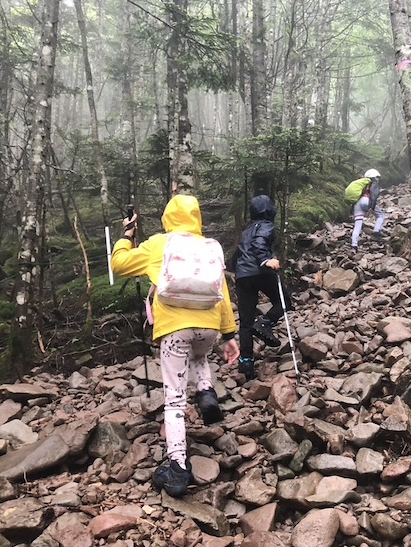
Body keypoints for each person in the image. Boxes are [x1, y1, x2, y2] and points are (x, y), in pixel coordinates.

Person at [111, 194, 239, 497]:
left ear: (168, 218)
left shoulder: (159, 244)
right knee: (199, 353)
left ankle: (178, 467)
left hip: (173, 329)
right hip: (207, 325)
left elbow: (119, 264)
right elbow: (222, 291)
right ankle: (206, 391)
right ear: (197, 217)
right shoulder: (211, 247)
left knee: (174, 401)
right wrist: (230, 334)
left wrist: (125, 237)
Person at [232, 194, 293, 381]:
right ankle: (266, 322)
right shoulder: (266, 226)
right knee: (284, 302)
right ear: (269, 209)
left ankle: (246, 362)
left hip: (243, 275)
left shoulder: (246, 230)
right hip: (261, 270)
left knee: (246, 321)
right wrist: (266, 260)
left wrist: (234, 268)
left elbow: (237, 254)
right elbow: (259, 244)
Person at [351, 168, 385, 251]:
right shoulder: (373, 182)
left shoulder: (362, 184)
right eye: (377, 177)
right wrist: (372, 206)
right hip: (366, 200)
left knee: (358, 224)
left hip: (358, 203)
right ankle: (376, 233)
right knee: (380, 216)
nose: (378, 179)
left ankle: (354, 244)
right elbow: (374, 194)